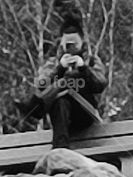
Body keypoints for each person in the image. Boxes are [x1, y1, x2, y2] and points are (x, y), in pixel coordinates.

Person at [16, 15, 107, 148]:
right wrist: (59, 69)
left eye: (74, 43)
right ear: (61, 43)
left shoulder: (92, 60)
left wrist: (83, 68)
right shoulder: (53, 62)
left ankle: (35, 106)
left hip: (86, 111)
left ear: (82, 41)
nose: (71, 47)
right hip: (63, 116)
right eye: (67, 44)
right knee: (60, 100)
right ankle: (61, 148)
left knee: (70, 79)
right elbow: (41, 85)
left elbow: (100, 85)